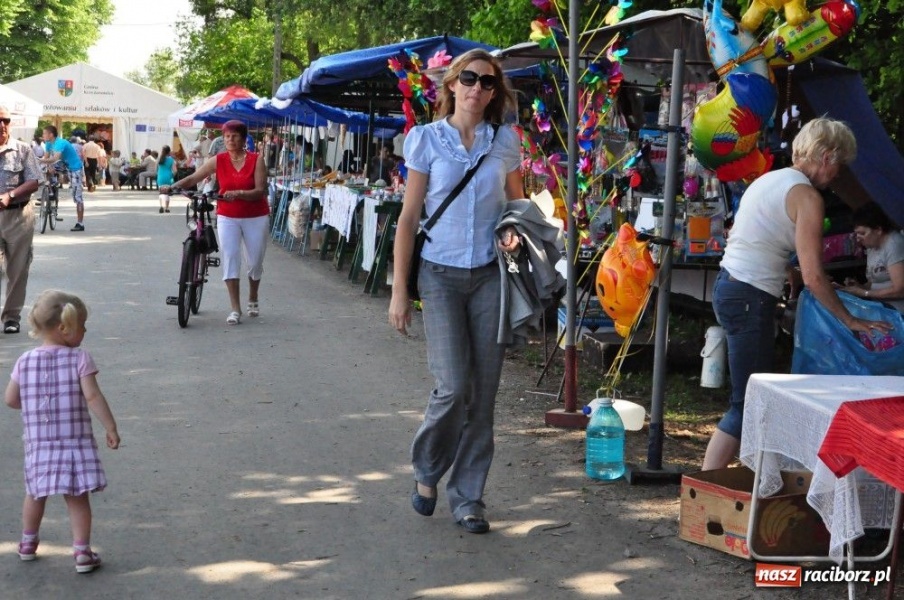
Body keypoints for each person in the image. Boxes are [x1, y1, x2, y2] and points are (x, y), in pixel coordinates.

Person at [702, 117, 892, 471]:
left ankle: (756, 485)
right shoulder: (807, 196)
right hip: (748, 295)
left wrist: (790, 279)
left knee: (755, 402)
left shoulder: (772, 179)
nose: (837, 176)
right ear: (827, 157)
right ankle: (702, 492)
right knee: (747, 406)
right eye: (840, 166)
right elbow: (815, 275)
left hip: (731, 286)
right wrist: (851, 320)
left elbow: (764, 238)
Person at [387, 49, 524, 534]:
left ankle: (468, 497)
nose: (477, 89)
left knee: (482, 397)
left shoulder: (505, 143)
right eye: (469, 78)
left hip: (489, 276)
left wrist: (515, 233)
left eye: (487, 83)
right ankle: (427, 469)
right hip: (439, 277)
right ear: (451, 84)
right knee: (452, 387)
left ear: (494, 93)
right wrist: (399, 289)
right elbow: (408, 219)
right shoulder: (425, 140)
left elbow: (517, 208)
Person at [5, 289, 120, 572]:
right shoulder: (80, 358)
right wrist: (111, 426)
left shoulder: (25, 361)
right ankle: (81, 552)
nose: (85, 331)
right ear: (64, 328)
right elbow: (93, 397)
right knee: (77, 497)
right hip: (75, 443)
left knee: (35, 493)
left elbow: (10, 399)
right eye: (82, 326)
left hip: (39, 444)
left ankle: (28, 543)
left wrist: (32, 406)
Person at [162, 119, 268, 326]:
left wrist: (238, 193)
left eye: (235, 136)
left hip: (256, 216)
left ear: (244, 139)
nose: (230, 140)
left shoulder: (257, 160)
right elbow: (194, 178)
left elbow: (260, 190)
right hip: (228, 215)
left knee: (255, 262)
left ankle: (253, 296)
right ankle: (235, 308)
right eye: (227, 136)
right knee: (230, 258)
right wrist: (171, 186)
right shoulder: (218, 160)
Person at [0, 105, 41, 334]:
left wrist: (10, 195)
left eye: (5, 120)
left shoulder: (23, 150)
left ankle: (11, 317)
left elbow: (34, 180)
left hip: (19, 216)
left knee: (17, 270)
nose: (1, 125)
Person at [840, 203, 904, 311]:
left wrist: (865, 293)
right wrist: (859, 287)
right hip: (883, 310)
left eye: (862, 233)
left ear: (878, 230)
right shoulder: (871, 247)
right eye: (857, 234)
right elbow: (874, 283)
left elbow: (901, 290)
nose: (858, 239)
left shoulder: (894, 244)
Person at [41, 125, 87, 232]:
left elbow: (55, 158)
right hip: (63, 165)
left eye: (44, 133)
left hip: (74, 167)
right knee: (46, 168)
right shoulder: (48, 144)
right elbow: (46, 158)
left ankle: (80, 223)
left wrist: (41, 161)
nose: (43, 136)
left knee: (77, 196)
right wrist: (47, 166)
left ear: (51, 135)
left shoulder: (60, 142)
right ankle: (50, 190)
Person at [156, 145, 177, 213]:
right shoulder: (171, 160)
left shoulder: (159, 159)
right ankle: (167, 208)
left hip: (160, 176)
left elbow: (156, 169)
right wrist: (172, 176)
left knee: (161, 192)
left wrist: (158, 174)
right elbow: (175, 171)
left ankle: (161, 206)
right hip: (168, 177)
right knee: (167, 193)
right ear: (169, 151)